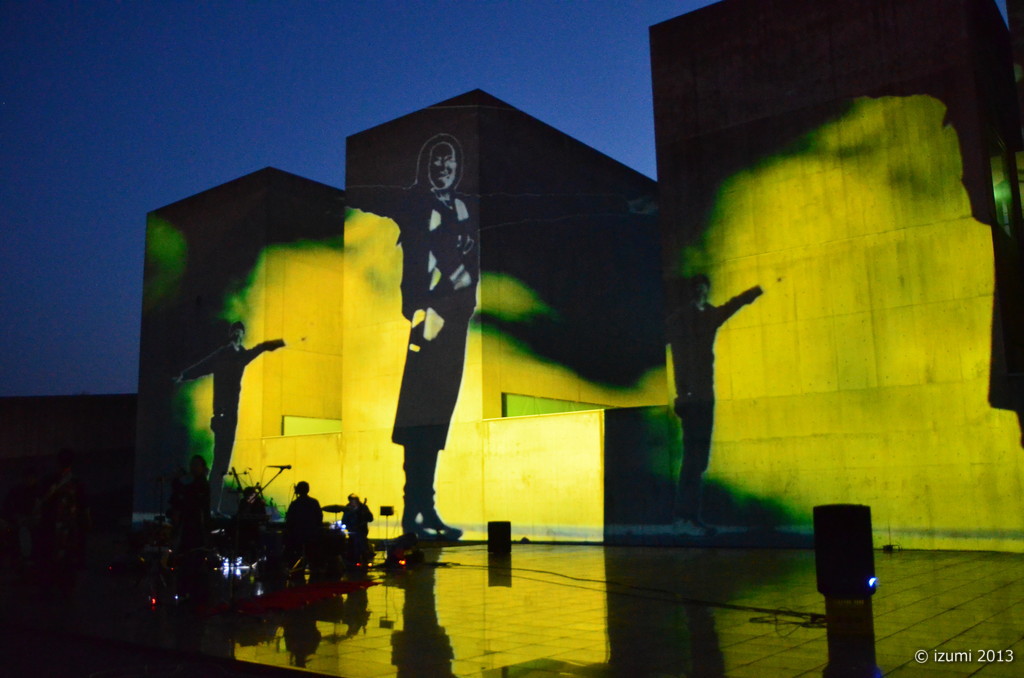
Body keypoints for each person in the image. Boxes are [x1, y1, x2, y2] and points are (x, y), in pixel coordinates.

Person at [667, 275, 762, 536]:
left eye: (703, 290)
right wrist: (682, 395)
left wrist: (751, 293)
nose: (701, 294)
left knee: (699, 461)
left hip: (705, 397)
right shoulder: (680, 320)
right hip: (691, 398)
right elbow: (679, 358)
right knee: (692, 459)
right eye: (697, 290)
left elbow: (730, 306)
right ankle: (683, 518)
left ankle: (689, 518)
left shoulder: (709, 316)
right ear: (692, 292)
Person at [175, 321, 285, 512]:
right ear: (231, 334)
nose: (236, 334)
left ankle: (212, 507)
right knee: (219, 463)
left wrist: (282, 342)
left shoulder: (242, 355)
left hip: (231, 415)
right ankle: (210, 508)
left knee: (222, 464)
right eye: (234, 331)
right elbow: (202, 367)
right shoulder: (221, 355)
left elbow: (261, 348)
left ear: (242, 334)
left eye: (239, 331)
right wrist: (184, 375)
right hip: (221, 413)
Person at [34, 449, 90, 592]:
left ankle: (49, 586)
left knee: (50, 557)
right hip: (68, 527)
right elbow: (83, 507)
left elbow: (40, 502)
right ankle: (64, 586)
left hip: (52, 527)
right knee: (67, 558)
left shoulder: (49, 481)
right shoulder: (76, 482)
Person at [284, 481, 323, 574]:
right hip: (312, 534)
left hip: (298, 534)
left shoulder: (294, 504)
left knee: (296, 550)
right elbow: (319, 517)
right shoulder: (314, 502)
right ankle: (314, 569)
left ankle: (296, 567)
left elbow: (290, 519)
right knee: (312, 553)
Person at [341, 493, 374, 564]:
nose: (354, 502)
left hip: (362, 531)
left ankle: (364, 562)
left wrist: (364, 515)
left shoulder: (363, 507)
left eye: (355, 500)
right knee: (353, 547)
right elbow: (344, 520)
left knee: (362, 547)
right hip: (352, 531)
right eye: (352, 501)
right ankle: (354, 562)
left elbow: (370, 518)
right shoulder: (347, 508)